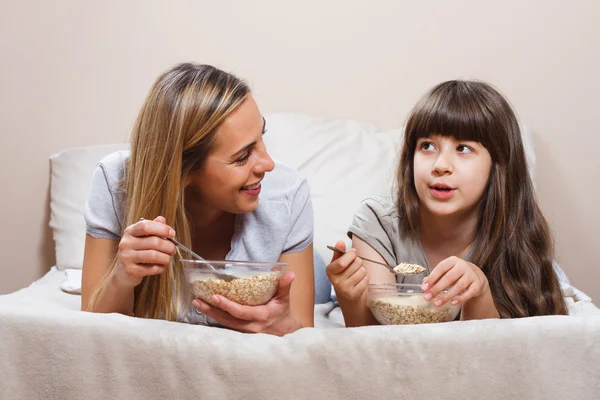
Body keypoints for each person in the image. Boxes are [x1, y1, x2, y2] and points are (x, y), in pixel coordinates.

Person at [81, 63, 316, 336]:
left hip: (301, 258)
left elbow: (303, 337)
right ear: (182, 172)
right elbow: (91, 328)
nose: (268, 164)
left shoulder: (288, 194)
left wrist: (283, 325)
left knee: (324, 286)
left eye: (261, 136)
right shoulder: (114, 182)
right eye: (242, 156)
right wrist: (122, 277)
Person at [326, 80, 568, 327]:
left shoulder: (516, 230)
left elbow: (497, 353)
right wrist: (350, 298)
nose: (441, 165)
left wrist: (479, 293)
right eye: (427, 146)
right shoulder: (378, 222)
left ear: (498, 166)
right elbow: (371, 340)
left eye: (463, 149)